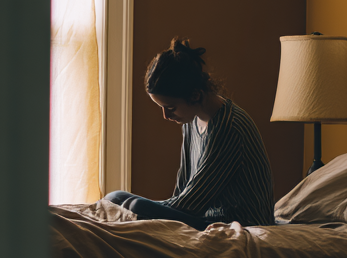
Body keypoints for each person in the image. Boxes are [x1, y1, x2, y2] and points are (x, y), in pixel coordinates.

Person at [105, 37, 275, 229]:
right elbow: (183, 189)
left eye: (170, 107)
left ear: (195, 96)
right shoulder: (191, 121)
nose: (166, 116)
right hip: (201, 213)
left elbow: (191, 205)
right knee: (115, 197)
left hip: (238, 222)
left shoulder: (230, 127)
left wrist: (142, 208)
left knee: (136, 206)